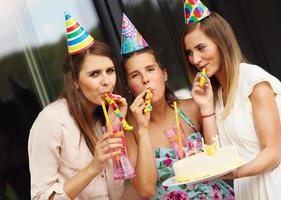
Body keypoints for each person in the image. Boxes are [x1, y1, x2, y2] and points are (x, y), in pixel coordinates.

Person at [180, 0, 281, 199]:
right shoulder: (215, 95)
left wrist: (234, 173)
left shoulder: (254, 81)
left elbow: (272, 154)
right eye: (189, 53)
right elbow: (215, 155)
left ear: (221, 42)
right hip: (247, 189)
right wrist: (206, 107)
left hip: (280, 185)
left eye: (201, 48)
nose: (195, 59)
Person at [120, 13, 235, 199]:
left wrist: (206, 109)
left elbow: (218, 160)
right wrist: (141, 130)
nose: (145, 79)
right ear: (128, 86)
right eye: (135, 75)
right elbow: (146, 190)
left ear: (164, 74)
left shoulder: (192, 108)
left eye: (150, 69)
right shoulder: (129, 130)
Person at [28, 13, 126, 200]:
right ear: (75, 81)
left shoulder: (108, 116)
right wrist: (93, 167)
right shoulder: (51, 120)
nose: (106, 81)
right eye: (95, 74)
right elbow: (40, 197)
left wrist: (115, 125)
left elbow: (118, 191)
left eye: (110, 71)